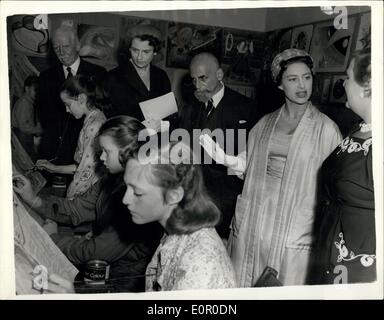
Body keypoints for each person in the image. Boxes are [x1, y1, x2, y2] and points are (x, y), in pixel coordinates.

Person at [203, 49, 343, 286]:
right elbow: (248, 167)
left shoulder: (326, 129)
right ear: (279, 85)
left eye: (307, 77)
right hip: (254, 220)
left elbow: (337, 187)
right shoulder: (263, 124)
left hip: (295, 225)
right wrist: (229, 160)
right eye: (292, 79)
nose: (302, 85)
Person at [13, 116, 163, 292]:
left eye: (107, 151)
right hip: (105, 271)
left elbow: (97, 251)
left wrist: (52, 239)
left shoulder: (137, 198)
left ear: (126, 154)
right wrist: (33, 199)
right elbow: (76, 208)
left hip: (124, 284)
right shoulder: (111, 179)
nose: (101, 156)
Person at [179, 52, 261, 239]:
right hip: (195, 195)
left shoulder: (246, 107)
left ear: (219, 75)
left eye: (203, 78)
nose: (198, 86)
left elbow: (249, 159)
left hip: (226, 201)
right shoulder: (191, 106)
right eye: (194, 80)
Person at [311, 48, 376, 284]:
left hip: (361, 271)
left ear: (366, 86)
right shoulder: (360, 128)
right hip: (333, 259)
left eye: (348, 77)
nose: (344, 84)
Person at [37, 25, 106, 165]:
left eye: (66, 46)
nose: (61, 52)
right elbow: (43, 114)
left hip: (86, 148)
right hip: (53, 150)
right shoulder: (45, 76)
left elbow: (102, 110)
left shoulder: (99, 73)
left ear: (77, 46)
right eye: (57, 48)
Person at [36, 75, 106, 199]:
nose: (67, 110)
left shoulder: (93, 126)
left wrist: (70, 197)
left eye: (67, 104)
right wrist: (53, 168)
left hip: (88, 195)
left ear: (81, 99)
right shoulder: (95, 118)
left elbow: (86, 172)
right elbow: (83, 166)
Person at [106, 24, 172, 121]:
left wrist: (163, 125)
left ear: (155, 51)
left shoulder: (161, 76)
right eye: (135, 50)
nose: (139, 57)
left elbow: (168, 113)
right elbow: (110, 117)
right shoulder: (114, 76)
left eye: (146, 52)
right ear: (129, 49)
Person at [11, 75, 43, 160]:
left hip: (26, 137)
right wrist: (39, 130)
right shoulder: (24, 103)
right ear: (27, 89)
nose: (37, 93)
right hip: (21, 138)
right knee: (27, 160)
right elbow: (24, 127)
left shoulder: (29, 102)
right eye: (35, 90)